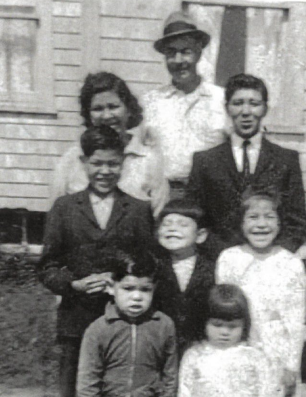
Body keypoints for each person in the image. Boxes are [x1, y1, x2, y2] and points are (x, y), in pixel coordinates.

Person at [39, 126, 154, 397]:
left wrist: (124, 287)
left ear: (123, 165)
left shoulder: (136, 209)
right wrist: (72, 282)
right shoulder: (64, 208)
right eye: (97, 163)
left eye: (113, 164)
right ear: (84, 162)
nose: (105, 171)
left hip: (122, 326)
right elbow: (46, 266)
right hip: (76, 321)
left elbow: (149, 264)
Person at [216, 190, 306, 397]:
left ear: (280, 223)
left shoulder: (291, 264)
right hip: (237, 357)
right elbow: (223, 311)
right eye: (253, 217)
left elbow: (296, 318)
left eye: (269, 216)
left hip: (275, 359)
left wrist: (291, 365)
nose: (261, 224)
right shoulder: (229, 258)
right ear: (240, 223)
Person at [76, 251, 177, 397]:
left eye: (145, 290)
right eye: (128, 289)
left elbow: (170, 371)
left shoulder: (163, 326)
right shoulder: (99, 330)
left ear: (154, 289)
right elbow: (86, 381)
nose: (137, 297)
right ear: (111, 287)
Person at [187, 73, 306, 257]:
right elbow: (196, 219)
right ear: (227, 108)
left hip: (271, 261)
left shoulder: (286, 159)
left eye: (254, 103)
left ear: (265, 108)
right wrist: (226, 255)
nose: (246, 111)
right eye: (238, 103)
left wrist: (273, 256)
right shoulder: (205, 161)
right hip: (218, 259)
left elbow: (297, 221)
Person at [51, 71, 169, 217]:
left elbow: (160, 217)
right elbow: (57, 214)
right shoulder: (73, 158)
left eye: (113, 107)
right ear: (88, 115)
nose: (106, 116)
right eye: (97, 109)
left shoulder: (149, 160)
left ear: (129, 110)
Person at [142, 11, 227, 198]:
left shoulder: (221, 99)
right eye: (171, 53)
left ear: (198, 52)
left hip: (210, 197)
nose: (179, 61)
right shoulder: (150, 102)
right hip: (161, 196)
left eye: (186, 51)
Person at [155, 199, 214, 359]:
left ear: (200, 236)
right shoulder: (153, 268)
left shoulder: (213, 269)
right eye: (166, 224)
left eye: (183, 225)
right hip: (160, 347)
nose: (173, 229)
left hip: (201, 347)